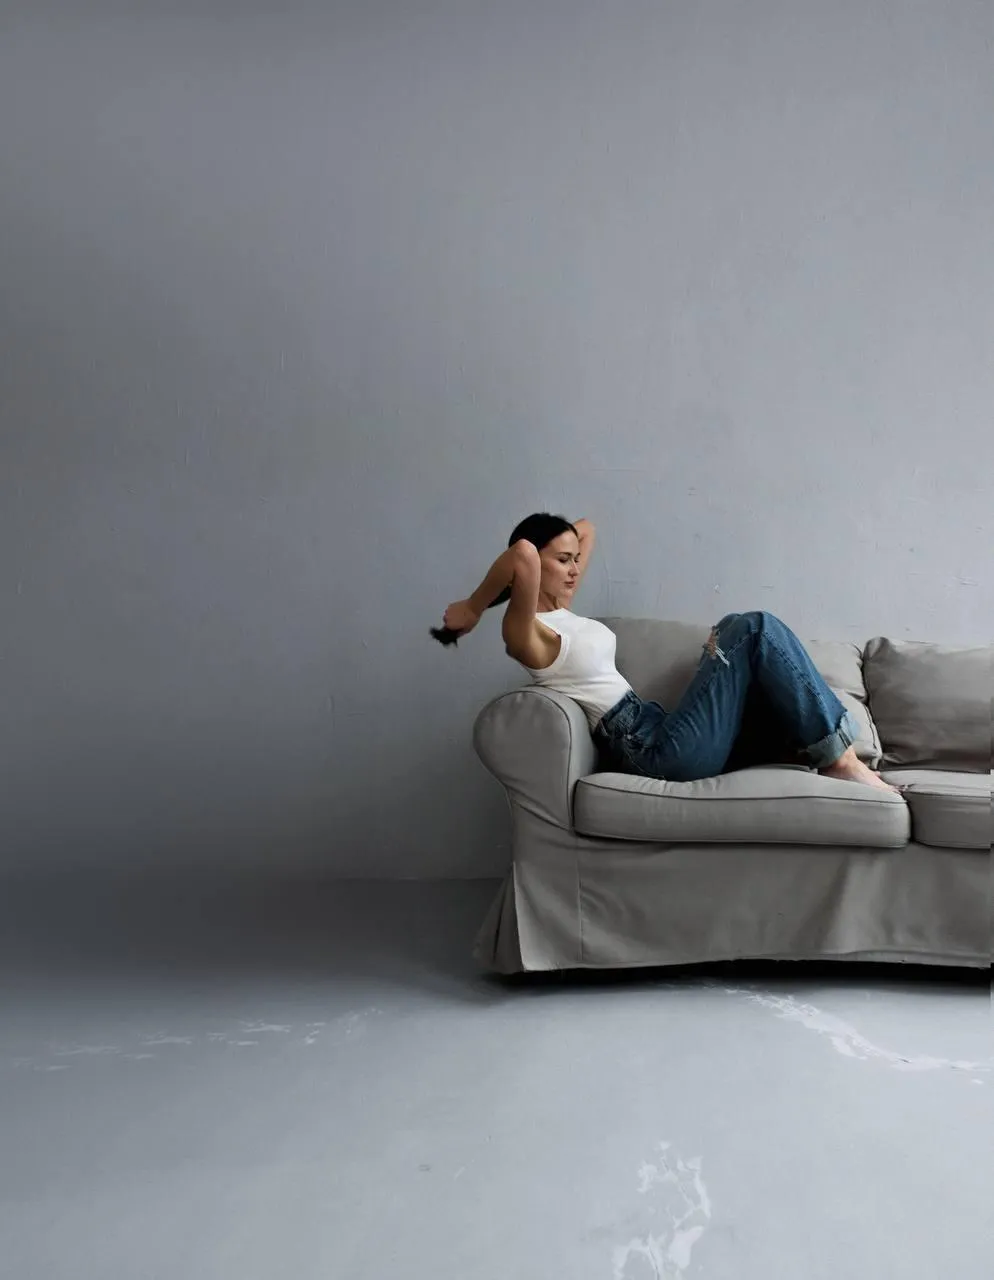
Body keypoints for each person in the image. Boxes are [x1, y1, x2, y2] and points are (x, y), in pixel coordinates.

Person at [432, 512, 899, 792]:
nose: (575, 570)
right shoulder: (528, 635)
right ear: (535, 569)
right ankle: (842, 761)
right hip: (650, 749)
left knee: (735, 632)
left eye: (576, 560)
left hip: (659, 727)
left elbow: (586, 528)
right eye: (563, 561)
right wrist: (473, 608)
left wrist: (561, 544)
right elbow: (522, 552)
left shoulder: (562, 611)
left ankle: (839, 756)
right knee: (752, 628)